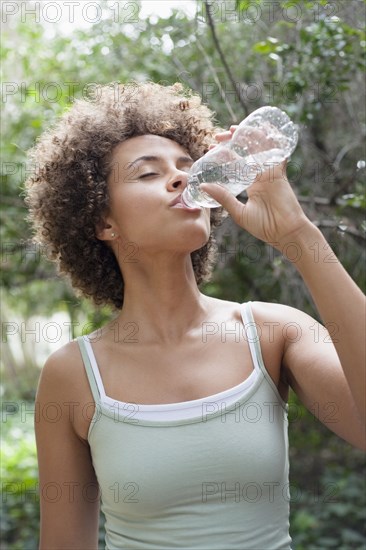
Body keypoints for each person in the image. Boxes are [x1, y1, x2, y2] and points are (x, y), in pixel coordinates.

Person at [25, 82, 365, 550]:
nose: (182, 179)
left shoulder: (271, 332)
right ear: (103, 222)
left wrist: (298, 237)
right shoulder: (73, 375)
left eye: (189, 168)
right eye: (148, 174)